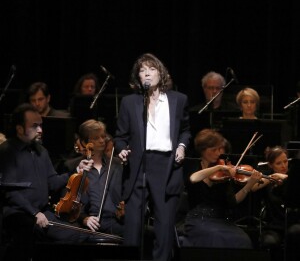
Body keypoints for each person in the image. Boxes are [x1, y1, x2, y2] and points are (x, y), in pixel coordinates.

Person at [114, 53, 191, 261]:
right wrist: (121, 149)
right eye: (142, 70)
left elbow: (185, 130)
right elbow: (120, 137)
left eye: (151, 69)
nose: (146, 73)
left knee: (164, 229)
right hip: (138, 166)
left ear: (161, 73)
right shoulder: (130, 103)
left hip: (166, 166)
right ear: (138, 77)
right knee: (133, 229)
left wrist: (182, 146)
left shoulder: (178, 99)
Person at [0, 103, 94, 260]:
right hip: (18, 214)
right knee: (28, 232)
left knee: (77, 235)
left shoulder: (41, 151)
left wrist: (76, 171)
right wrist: (34, 213)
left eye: (41, 125)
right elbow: (10, 193)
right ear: (19, 128)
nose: (40, 130)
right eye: (35, 126)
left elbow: (52, 183)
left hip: (42, 212)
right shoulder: (6, 151)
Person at [182, 128, 263, 249]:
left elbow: (232, 201)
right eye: (214, 150)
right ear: (203, 150)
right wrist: (218, 168)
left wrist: (249, 185)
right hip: (198, 221)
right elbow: (194, 178)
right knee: (216, 237)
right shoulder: (193, 165)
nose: (218, 153)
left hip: (220, 221)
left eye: (220, 149)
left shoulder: (224, 173)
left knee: (243, 239)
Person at [61, 119, 124, 237]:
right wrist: (84, 219)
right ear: (85, 142)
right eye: (96, 138)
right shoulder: (74, 166)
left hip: (117, 220)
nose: (102, 141)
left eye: (103, 136)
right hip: (91, 223)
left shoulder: (116, 164)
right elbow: (67, 203)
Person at [251, 146, 300, 261]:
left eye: (285, 161)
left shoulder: (294, 179)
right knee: (269, 242)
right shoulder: (267, 179)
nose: (284, 166)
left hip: (294, 223)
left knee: (296, 233)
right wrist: (272, 177)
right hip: (274, 226)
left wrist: (286, 179)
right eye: (279, 163)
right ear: (270, 165)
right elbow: (252, 188)